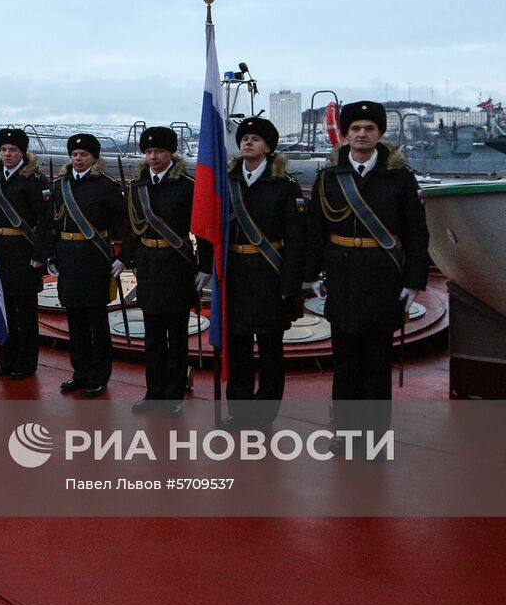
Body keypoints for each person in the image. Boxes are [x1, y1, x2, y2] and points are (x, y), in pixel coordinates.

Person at [304, 101, 429, 450]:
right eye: (356, 128)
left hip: (383, 278)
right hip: (342, 277)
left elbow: (416, 233)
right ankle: (345, 435)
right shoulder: (329, 177)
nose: (362, 134)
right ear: (345, 134)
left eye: (369, 128)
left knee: (376, 364)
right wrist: (312, 274)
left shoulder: (400, 178)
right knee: (345, 362)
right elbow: (314, 230)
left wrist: (414, 281)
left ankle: (373, 439)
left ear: (380, 134)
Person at [122, 126, 212, 416]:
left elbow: (202, 227)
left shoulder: (187, 186)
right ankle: (153, 393)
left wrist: (205, 267)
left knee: (176, 336)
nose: (152, 157)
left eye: (158, 151)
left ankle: (174, 395)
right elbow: (131, 226)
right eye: (148, 152)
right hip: (148, 265)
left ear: (171, 152)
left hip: (177, 266)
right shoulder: (138, 186)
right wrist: (124, 258)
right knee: (153, 337)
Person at [222, 117, 304, 428]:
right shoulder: (226, 181)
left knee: (270, 350)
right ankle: (239, 411)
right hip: (236, 274)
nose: (247, 143)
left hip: (270, 274)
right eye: (244, 138)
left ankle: (264, 415)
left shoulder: (285, 185)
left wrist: (291, 284)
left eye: (255, 139)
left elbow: (296, 239)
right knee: (238, 347)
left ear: (268, 147)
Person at [37, 133, 125, 397]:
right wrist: (50, 255)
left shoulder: (106, 186)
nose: (77, 158)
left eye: (83, 155)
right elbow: (50, 223)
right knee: (74, 320)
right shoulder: (59, 185)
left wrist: (124, 258)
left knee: (96, 322)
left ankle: (99, 375)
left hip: (95, 258)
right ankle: (80, 372)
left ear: (94, 158)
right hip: (67, 257)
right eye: (74, 154)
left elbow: (125, 223)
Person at [0, 127, 49, 379]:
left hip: (24, 252)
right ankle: (8, 359)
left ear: (23, 152)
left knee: (25, 312)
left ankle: (26, 362)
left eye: (12, 150)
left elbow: (45, 221)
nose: (7, 154)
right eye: (3, 150)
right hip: (1, 250)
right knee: (6, 309)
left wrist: (40, 254)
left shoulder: (34, 181)